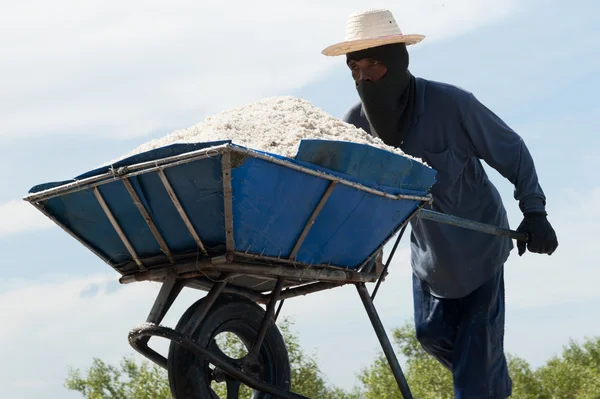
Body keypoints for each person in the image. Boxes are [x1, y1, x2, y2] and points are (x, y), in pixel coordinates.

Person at [321, 8, 558, 399]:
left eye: (374, 65)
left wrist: (534, 211)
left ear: (397, 63)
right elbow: (354, 193)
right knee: (431, 336)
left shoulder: (453, 105)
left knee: (472, 380)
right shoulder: (356, 125)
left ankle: (482, 382)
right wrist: (360, 248)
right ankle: (490, 381)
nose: (363, 77)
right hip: (429, 260)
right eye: (355, 68)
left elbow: (512, 150)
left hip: (480, 251)